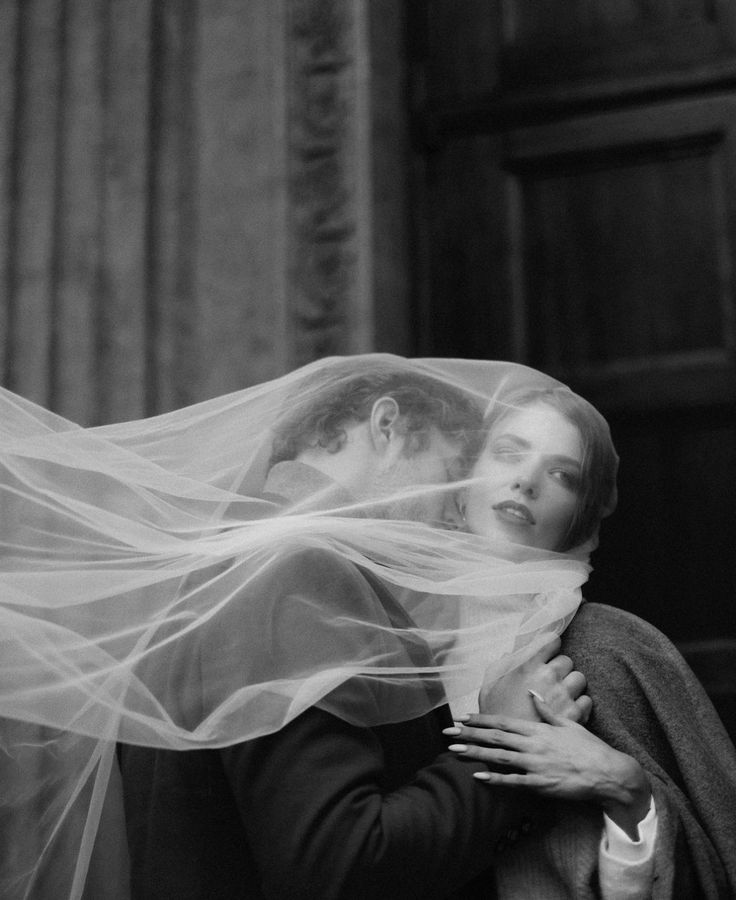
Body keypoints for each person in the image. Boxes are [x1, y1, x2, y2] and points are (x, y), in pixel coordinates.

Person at [1, 355, 599, 899]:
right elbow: (338, 866)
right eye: (447, 473)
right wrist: (502, 744)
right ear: (387, 428)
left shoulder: (214, 575)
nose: (452, 512)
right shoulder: (300, 573)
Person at [441, 385, 736, 898]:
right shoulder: (391, 653)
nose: (526, 480)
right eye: (509, 452)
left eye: (563, 475)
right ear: (462, 487)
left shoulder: (615, 647)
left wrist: (628, 792)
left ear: (580, 519)